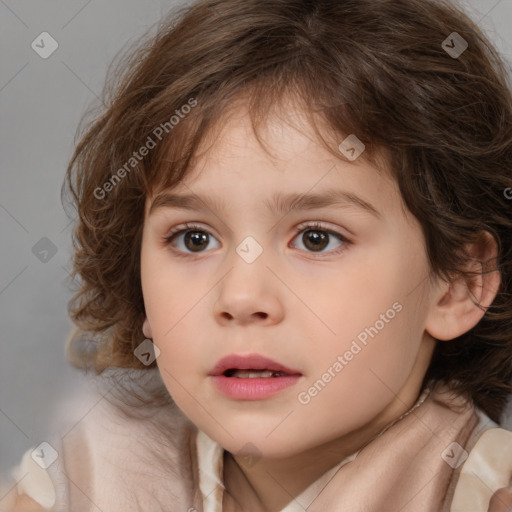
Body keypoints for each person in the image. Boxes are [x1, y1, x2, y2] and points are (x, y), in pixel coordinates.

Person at [2, 0, 512, 510]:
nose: (241, 297)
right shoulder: (79, 483)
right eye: (194, 239)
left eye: (317, 238)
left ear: (456, 283)